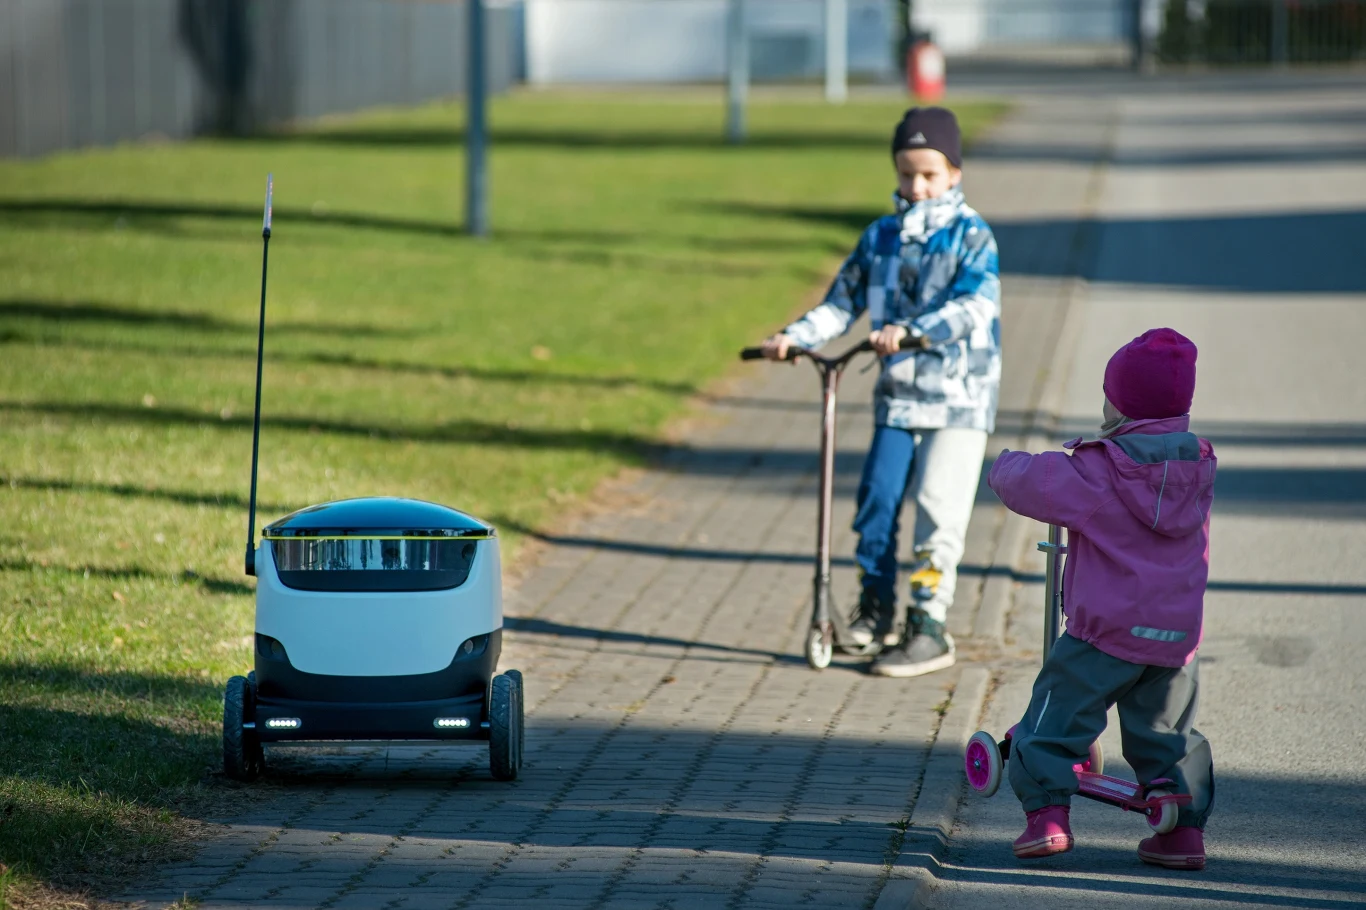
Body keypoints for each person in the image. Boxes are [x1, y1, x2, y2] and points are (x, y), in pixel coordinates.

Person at [760, 106, 1001, 678]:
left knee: (937, 512)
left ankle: (928, 625)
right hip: (897, 394)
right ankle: (875, 612)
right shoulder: (881, 236)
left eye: (929, 175)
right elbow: (842, 303)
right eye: (905, 174)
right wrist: (792, 338)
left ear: (954, 174)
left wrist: (916, 331)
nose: (916, 187)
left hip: (958, 398)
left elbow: (976, 304)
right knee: (876, 501)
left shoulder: (972, 235)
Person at [987, 328, 1217, 870]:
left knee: (1054, 717)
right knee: (1168, 733)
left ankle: (1047, 815)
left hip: (1104, 634)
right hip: (1176, 639)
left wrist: (1004, 461)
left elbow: (1030, 481)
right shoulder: (1197, 468)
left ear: (1122, 404)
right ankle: (1181, 830)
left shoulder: (1100, 469)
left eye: (1110, 395)